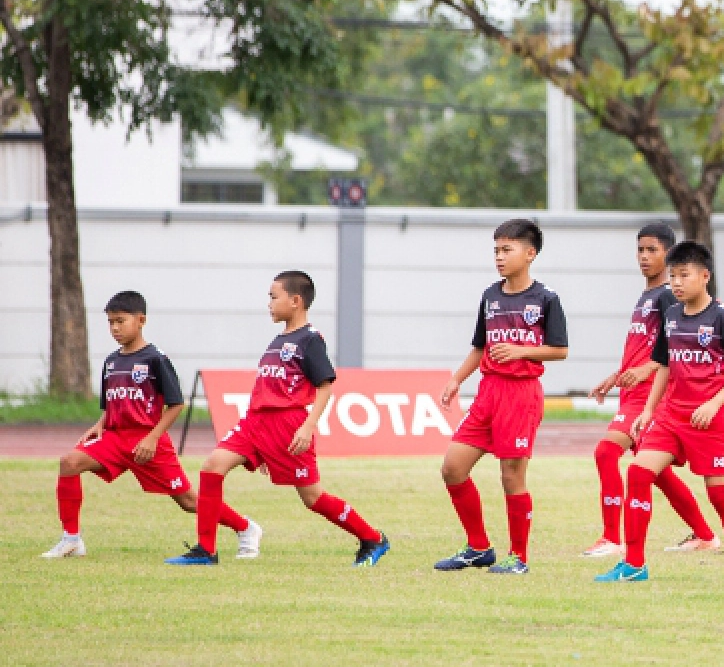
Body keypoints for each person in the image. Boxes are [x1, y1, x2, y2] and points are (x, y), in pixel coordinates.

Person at [167, 272, 387, 567]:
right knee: (211, 467)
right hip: (254, 424)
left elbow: (326, 385)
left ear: (295, 301)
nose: (269, 304)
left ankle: (372, 538)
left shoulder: (310, 339)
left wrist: (308, 426)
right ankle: (206, 550)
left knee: (313, 498)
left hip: (287, 426)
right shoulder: (277, 339)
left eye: (273, 297)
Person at [44, 292, 260, 561]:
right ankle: (72, 540)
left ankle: (246, 528)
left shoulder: (155, 359)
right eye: (110, 322)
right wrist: (99, 425)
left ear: (141, 320)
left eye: (120, 321)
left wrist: (152, 437)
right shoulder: (111, 362)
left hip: (148, 442)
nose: (114, 328)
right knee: (69, 462)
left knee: (189, 502)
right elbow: (113, 402)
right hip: (114, 438)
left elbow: (176, 404)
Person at [598, 241, 724, 585]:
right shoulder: (671, 316)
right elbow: (663, 366)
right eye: (672, 275)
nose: (676, 282)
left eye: (683, 275)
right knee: (639, 474)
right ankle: (634, 564)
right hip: (672, 416)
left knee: (719, 494)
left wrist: (715, 402)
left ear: (704, 276)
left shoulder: (723, 317)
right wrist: (647, 410)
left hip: (712, 420)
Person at [434, 218, 568, 575]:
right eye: (496, 250)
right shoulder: (490, 296)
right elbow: (480, 347)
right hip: (488, 394)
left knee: (511, 477)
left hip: (521, 395)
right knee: (452, 468)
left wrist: (522, 352)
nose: (499, 257)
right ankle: (478, 546)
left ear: (530, 253)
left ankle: (519, 558)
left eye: (506, 250)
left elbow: (560, 350)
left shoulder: (546, 298)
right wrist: (457, 379)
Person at [582, 221, 721, 558]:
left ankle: (611, 538)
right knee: (654, 474)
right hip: (634, 392)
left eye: (653, 250)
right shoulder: (648, 296)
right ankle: (704, 534)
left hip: (650, 396)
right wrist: (617, 375)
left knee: (605, 453)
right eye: (640, 250)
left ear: (668, 255)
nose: (644, 257)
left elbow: (671, 350)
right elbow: (645, 347)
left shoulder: (666, 297)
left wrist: (644, 372)